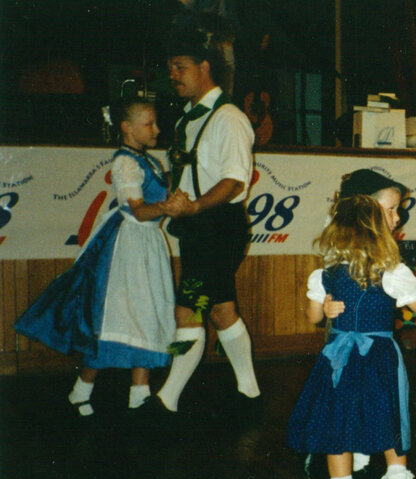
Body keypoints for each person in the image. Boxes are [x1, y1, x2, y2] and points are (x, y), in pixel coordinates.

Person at [15, 98, 175, 416]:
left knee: (147, 313)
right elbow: (140, 211)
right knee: (113, 317)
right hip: (126, 248)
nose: (156, 129)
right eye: (149, 124)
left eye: (155, 123)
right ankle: (81, 389)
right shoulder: (125, 163)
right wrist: (168, 207)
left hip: (148, 245)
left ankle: (139, 394)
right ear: (126, 128)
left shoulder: (151, 161)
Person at [286, 192, 416, 479]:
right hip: (380, 355)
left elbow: (312, 317)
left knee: (335, 422)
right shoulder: (393, 271)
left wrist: (326, 309)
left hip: (338, 357)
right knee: (391, 412)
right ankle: (397, 476)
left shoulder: (324, 274)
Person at [147, 24, 260, 414]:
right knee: (219, 308)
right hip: (199, 230)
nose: (172, 75)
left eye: (179, 67)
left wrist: (194, 207)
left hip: (219, 228)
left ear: (205, 67)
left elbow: (233, 181)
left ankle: (166, 399)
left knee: (189, 309)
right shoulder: (186, 120)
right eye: (170, 68)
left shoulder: (228, 118)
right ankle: (249, 392)